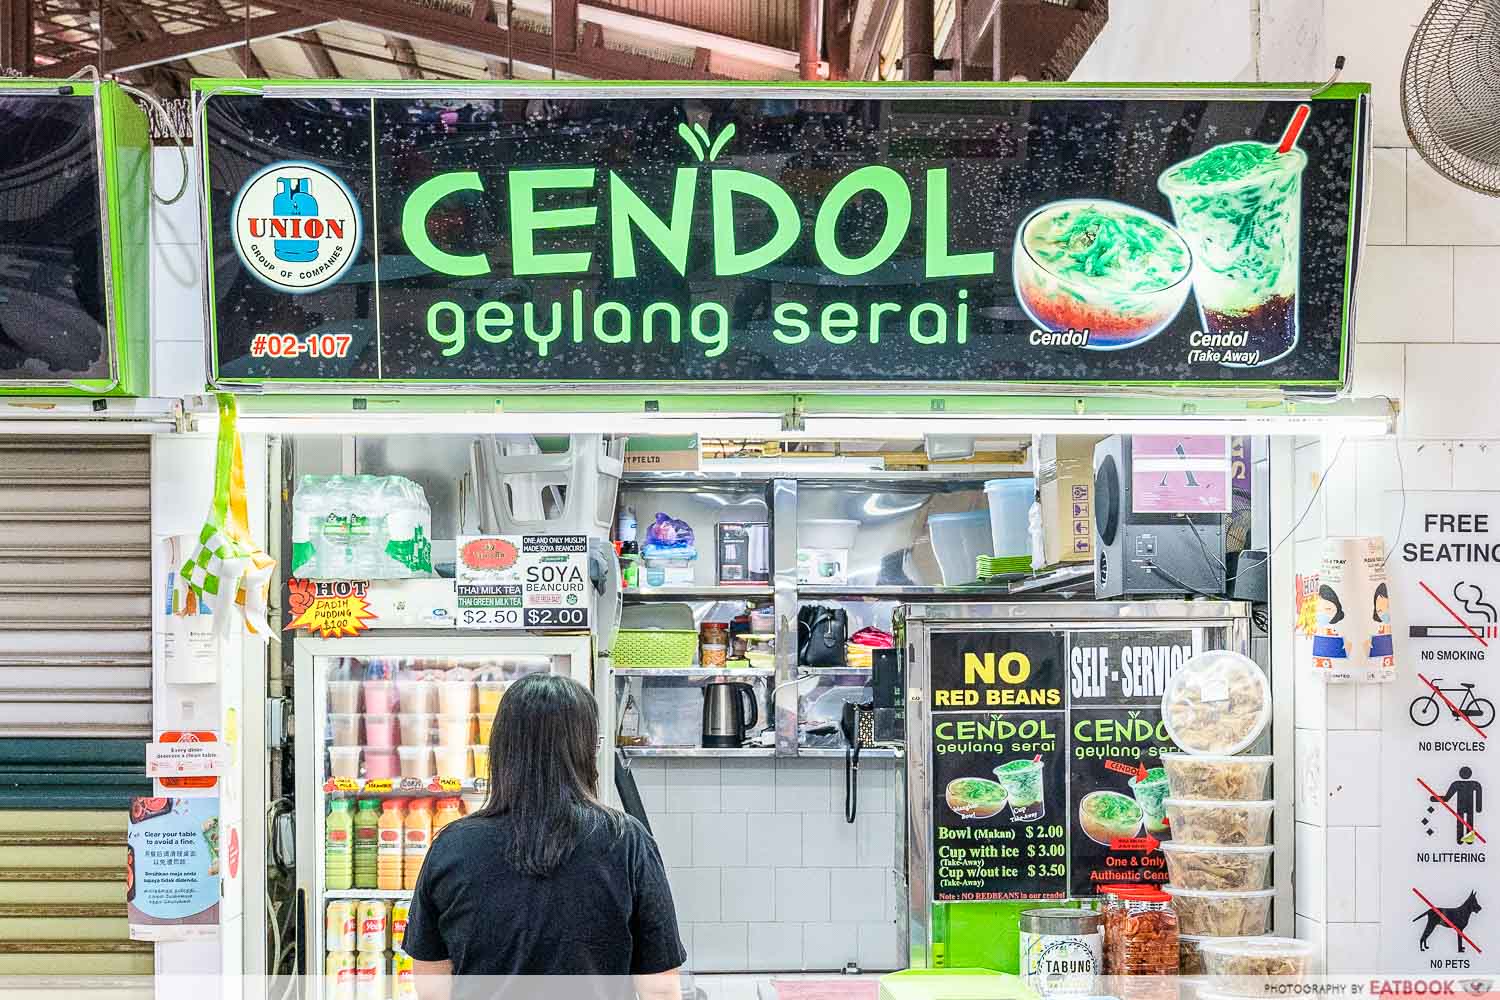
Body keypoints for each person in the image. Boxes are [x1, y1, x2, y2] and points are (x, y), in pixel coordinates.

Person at [404, 673, 685, 999]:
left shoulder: (452, 846)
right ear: (585, 749)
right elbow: (660, 990)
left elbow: (432, 986)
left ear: (501, 750)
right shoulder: (627, 842)